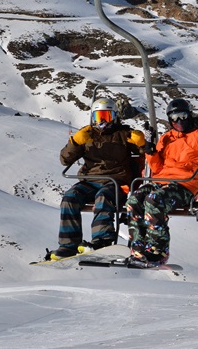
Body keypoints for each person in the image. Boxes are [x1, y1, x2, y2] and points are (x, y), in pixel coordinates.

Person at [125, 98, 198, 265]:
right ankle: (138, 247)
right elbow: (157, 168)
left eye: (183, 116)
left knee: (154, 200)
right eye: (174, 117)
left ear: (189, 115)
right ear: (169, 119)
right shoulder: (167, 138)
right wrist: (150, 148)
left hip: (184, 185)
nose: (179, 121)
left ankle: (158, 250)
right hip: (161, 181)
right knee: (134, 199)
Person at [54, 98, 147, 260]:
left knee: (103, 198)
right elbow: (64, 160)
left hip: (116, 182)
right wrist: (75, 142)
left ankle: (102, 240)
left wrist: (142, 143)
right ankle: (68, 245)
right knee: (69, 198)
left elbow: (147, 153)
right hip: (89, 181)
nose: (103, 121)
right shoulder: (86, 135)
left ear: (115, 116)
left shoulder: (123, 135)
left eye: (107, 116)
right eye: (99, 117)